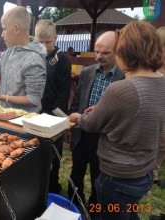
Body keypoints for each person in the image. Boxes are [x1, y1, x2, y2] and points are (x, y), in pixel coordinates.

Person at [69, 20, 165, 220]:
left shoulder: (122, 88)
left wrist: (78, 116)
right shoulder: (161, 82)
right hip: (143, 172)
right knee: (129, 212)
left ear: (124, 52)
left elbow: (90, 123)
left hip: (118, 176)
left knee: (113, 214)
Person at [67, 31, 125, 213]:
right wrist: (72, 121)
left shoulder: (125, 78)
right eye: (96, 52)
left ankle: (95, 207)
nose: (99, 56)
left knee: (98, 177)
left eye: (105, 53)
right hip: (82, 131)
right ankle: (74, 202)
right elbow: (77, 101)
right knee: (76, 172)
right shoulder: (88, 72)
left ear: (117, 51)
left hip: (105, 138)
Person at [34, 19, 71, 194]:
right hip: (35, 112)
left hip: (54, 113)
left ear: (55, 39)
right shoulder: (34, 56)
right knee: (37, 151)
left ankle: (53, 185)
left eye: (47, 42)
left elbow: (64, 91)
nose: (43, 46)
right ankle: (36, 184)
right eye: (39, 42)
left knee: (54, 153)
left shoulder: (61, 59)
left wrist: (58, 117)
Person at [153, 26, 165, 189]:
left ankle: (154, 173)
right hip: (156, 110)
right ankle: (151, 174)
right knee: (158, 141)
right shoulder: (153, 64)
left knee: (162, 143)